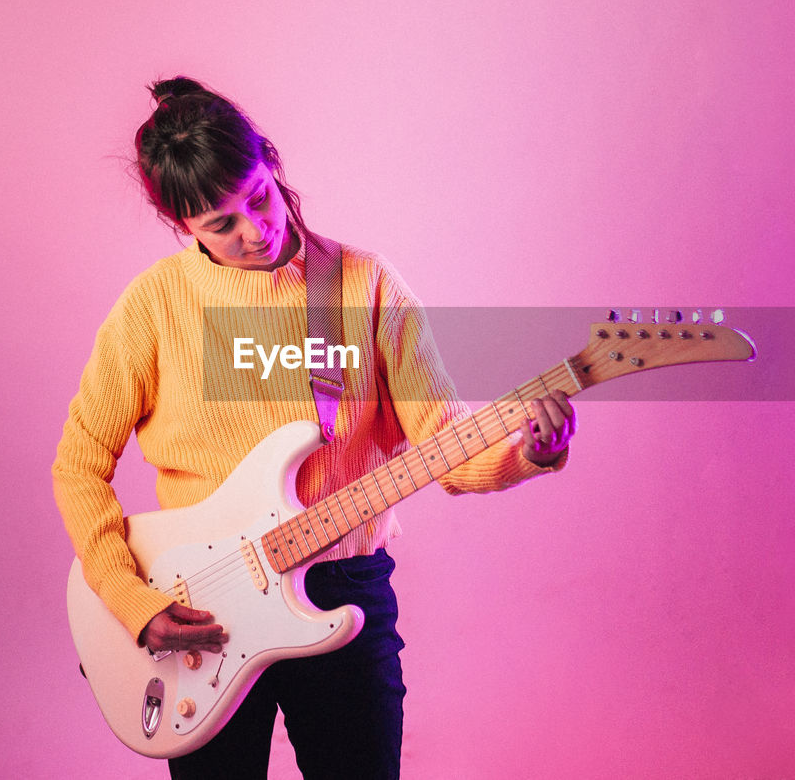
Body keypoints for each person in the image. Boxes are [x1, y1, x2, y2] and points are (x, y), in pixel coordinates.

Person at [52, 76, 576, 779]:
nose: (255, 230)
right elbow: (78, 463)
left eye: (258, 198)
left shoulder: (364, 287)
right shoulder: (153, 307)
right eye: (220, 225)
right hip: (199, 605)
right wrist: (130, 597)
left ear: (271, 161)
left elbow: (446, 451)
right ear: (182, 227)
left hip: (343, 592)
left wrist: (529, 450)